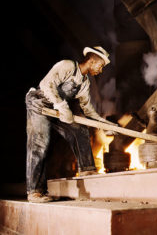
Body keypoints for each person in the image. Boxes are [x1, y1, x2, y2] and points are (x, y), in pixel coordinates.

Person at [25, 46, 116, 203]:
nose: (100, 71)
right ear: (92, 61)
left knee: (80, 130)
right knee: (40, 143)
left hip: (56, 109)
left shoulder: (84, 82)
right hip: (39, 103)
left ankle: (87, 170)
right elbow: (46, 84)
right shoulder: (67, 65)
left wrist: (104, 124)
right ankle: (35, 192)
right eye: (100, 66)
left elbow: (88, 110)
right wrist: (61, 105)